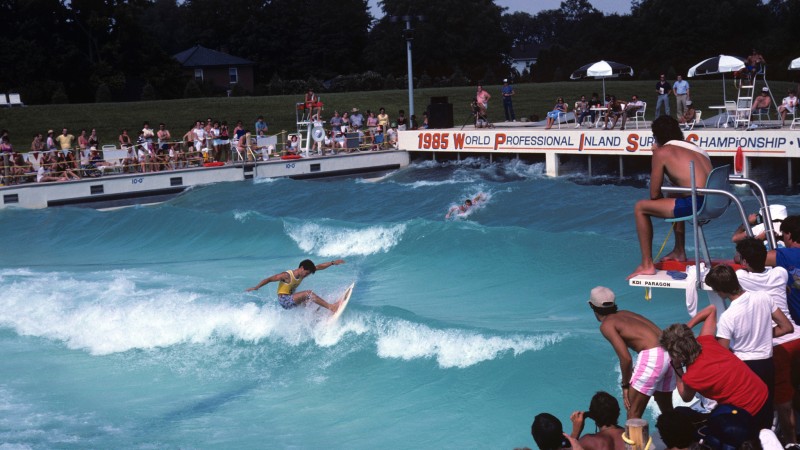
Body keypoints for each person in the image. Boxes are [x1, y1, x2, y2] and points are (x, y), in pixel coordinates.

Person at [704, 264, 793, 426]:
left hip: (745, 368)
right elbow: (787, 327)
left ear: (721, 290)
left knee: (747, 417)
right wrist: (763, 334)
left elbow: (723, 355)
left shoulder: (728, 317)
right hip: (767, 363)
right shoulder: (764, 297)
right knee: (765, 414)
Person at [627, 116, 712, 279]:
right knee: (674, 194)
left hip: (698, 203)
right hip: (717, 201)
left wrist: (656, 156)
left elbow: (654, 194)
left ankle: (646, 264)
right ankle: (679, 251)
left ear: (656, 136)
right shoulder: (693, 147)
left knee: (640, 208)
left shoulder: (662, 152)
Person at [660, 305, 771, 430]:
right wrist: (684, 330)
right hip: (764, 395)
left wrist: (677, 367)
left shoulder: (691, 377)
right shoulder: (707, 341)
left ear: (676, 354)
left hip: (747, 412)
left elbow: (686, 397)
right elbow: (712, 309)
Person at [736, 237, 800, 445]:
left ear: (745, 262)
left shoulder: (741, 277)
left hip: (779, 343)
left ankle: (791, 442)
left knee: (783, 399)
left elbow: (736, 262)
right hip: (798, 336)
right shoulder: (779, 274)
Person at [588, 286, 674, 419]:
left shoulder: (606, 325)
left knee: (633, 414)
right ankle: (680, 439)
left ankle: (632, 441)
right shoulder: (626, 313)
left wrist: (625, 386)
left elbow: (626, 358)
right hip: (669, 351)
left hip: (652, 356)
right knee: (667, 408)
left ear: (591, 305)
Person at [245, 259, 345, 312]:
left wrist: (332, 263)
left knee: (311, 303)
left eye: (308, 273)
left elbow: (318, 267)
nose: (307, 275)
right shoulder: (287, 275)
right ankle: (332, 307)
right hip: (284, 300)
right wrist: (256, 287)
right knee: (308, 294)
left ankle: (316, 320)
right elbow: (269, 279)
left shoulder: (302, 274)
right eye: (306, 272)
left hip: (292, 299)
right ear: (301, 268)